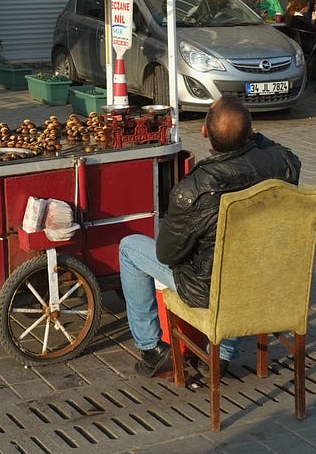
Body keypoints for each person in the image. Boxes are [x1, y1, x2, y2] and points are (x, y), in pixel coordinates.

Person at [119, 97, 301, 380]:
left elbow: (168, 255)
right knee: (237, 258)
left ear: (204, 132)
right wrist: (247, 134)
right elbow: (278, 150)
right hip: (264, 278)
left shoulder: (193, 187)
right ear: (252, 133)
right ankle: (223, 354)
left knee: (129, 248)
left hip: (207, 289)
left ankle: (151, 348)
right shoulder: (284, 164)